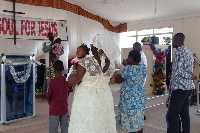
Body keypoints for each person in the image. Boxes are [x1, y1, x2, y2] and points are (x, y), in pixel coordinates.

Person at [68, 34, 120, 133]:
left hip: (87, 98)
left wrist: (72, 71)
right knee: (102, 123)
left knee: (86, 123)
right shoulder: (111, 64)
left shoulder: (86, 61)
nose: (91, 47)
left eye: (92, 45)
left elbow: (72, 81)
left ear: (95, 47)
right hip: (104, 97)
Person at [168, 33, 197, 133]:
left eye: (173, 40)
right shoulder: (188, 52)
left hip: (181, 87)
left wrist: (189, 76)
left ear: (178, 41)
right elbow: (186, 68)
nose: (172, 42)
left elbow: (179, 72)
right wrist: (173, 74)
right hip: (188, 87)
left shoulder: (180, 53)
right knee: (184, 113)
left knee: (173, 114)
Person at [115, 50, 147, 133]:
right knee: (138, 120)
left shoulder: (128, 69)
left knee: (131, 122)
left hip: (130, 99)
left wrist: (121, 70)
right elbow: (135, 69)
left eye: (128, 57)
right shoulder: (143, 67)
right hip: (140, 98)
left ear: (131, 58)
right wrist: (127, 64)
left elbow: (118, 80)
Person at [46, 60, 71, 133]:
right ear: (63, 68)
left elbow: (48, 95)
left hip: (54, 109)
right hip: (64, 108)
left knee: (53, 129)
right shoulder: (67, 80)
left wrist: (50, 103)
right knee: (65, 128)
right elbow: (68, 92)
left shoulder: (52, 82)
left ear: (54, 69)